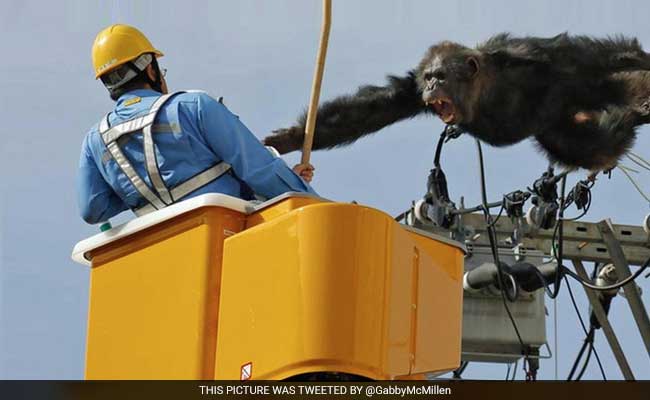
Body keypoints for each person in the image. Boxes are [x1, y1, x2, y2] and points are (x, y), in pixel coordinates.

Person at [77, 24, 316, 224]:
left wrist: (137, 191)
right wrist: (309, 200)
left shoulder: (95, 141)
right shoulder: (192, 107)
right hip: (228, 238)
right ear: (150, 69)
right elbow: (260, 170)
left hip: (164, 254)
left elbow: (93, 209)